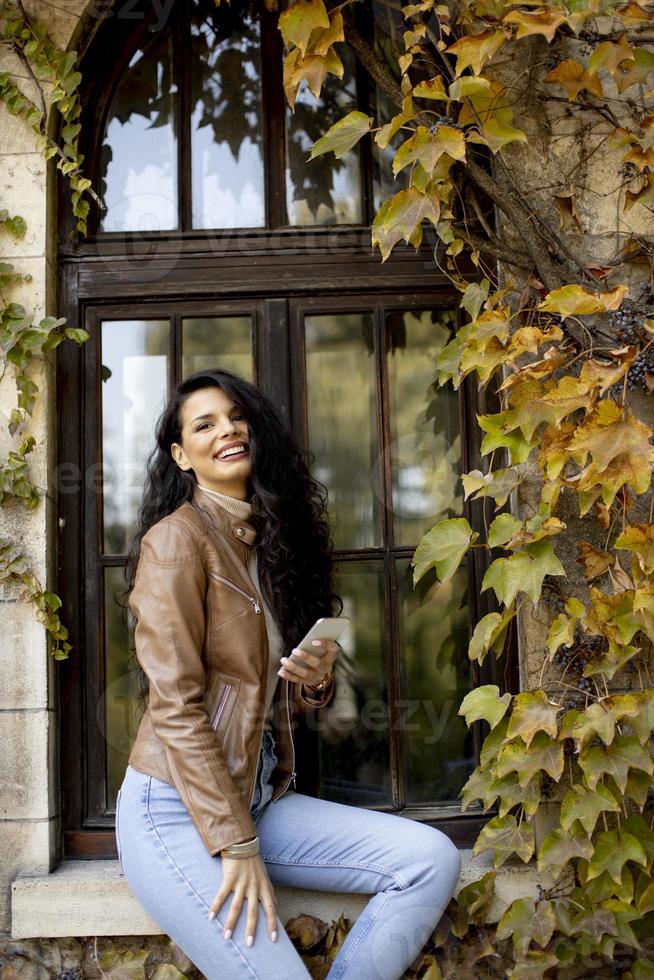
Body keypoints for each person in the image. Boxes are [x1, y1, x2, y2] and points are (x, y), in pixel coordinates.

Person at [115, 367, 461, 980]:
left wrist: (313, 679)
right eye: (205, 424)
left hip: (258, 798)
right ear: (180, 455)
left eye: (236, 416)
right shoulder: (175, 542)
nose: (228, 430)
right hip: (175, 810)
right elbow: (176, 705)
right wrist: (235, 842)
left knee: (429, 860)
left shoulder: (267, 540)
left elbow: (267, 695)